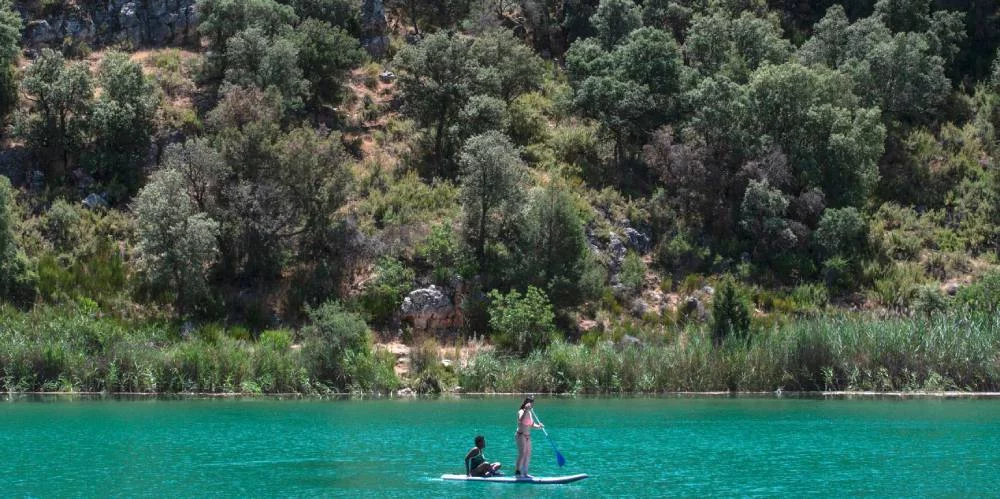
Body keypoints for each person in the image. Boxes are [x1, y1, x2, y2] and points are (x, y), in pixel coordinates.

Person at [514, 396, 543, 478]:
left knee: (528, 454)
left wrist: (539, 426)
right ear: (526, 403)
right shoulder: (521, 411)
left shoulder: (530, 412)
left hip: (527, 436)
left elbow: (532, 424)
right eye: (531, 403)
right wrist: (526, 410)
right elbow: (520, 421)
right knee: (522, 453)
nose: (532, 405)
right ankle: (518, 472)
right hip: (520, 435)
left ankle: (525, 473)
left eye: (532, 403)